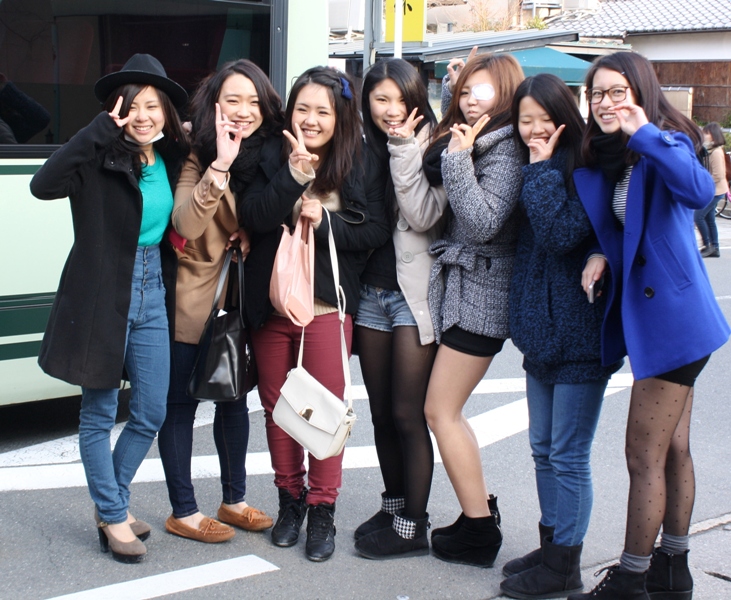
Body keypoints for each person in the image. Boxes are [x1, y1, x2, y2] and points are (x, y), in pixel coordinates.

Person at [568, 51, 730, 600]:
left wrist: (645, 133)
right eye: (597, 94)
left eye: (617, 91)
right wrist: (601, 254)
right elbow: (629, 229)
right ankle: (673, 568)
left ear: (640, 91)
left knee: (642, 454)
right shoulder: (617, 155)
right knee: (673, 449)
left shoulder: (665, 142)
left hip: (675, 327)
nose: (606, 103)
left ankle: (632, 578)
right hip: (664, 320)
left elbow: (699, 192)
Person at [29, 54, 189, 563]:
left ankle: (109, 503)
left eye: (152, 106)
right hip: (102, 293)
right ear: (115, 110)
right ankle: (115, 514)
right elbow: (43, 184)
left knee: (151, 410)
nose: (143, 116)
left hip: (152, 290)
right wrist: (99, 130)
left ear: (165, 111)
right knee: (98, 412)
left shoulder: (170, 159)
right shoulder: (98, 156)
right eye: (131, 106)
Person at [240, 66, 389, 562]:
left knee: (324, 413)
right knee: (278, 409)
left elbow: (371, 231)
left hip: (326, 307)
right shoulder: (270, 156)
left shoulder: (358, 159)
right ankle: (290, 502)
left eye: (322, 111)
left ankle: (322, 509)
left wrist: (323, 220)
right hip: (272, 302)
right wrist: (295, 175)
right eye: (302, 108)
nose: (311, 119)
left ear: (339, 116)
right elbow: (255, 216)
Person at [499, 73, 623, 599]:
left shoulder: (585, 166)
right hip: (540, 333)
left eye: (543, 121)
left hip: (579, 335)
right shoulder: (535, 165)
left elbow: (558, 234)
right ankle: (553, 546)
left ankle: (565, 565)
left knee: (568, 454)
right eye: (524, 121)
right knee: (542, 448)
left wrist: (541, 170)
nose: (533, 131)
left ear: (564, 119)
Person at [157, 59, 282, 543]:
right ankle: (183, 510)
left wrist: (251, 230)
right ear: (215, 105)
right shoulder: (198, 153)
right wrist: (220, 165)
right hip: (193, 298)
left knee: (233, 402)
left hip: (238, 299)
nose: (244, 111)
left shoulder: (270, 154)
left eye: (253, 101)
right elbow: (185, 223)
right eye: (233, 99)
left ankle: (234, 501)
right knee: (181, 405)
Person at [421, 52, 524, 568]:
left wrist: (458, 160)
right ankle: (476, 511)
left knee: (440, 411)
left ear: (504, 93)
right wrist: (449, 89)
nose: (468, 99)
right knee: (449, 412)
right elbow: (458, 125)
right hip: (465, 290)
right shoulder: (482, 136)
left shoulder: (507, 152)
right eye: (465, 91)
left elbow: (484, 223)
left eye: (480, 90)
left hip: (483, 295)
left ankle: (479, 532)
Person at [352, 58, 442, 560]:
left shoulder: (435, 145)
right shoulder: (363, 148)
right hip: (371, 294)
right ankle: (393, 506)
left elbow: (424, 215)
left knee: (410, 414)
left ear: (416, 98)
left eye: (399, 99)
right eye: (380, 99)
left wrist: (405, 149)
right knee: (382, 415)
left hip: (414, 296)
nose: (391, 110)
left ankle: (415, 523)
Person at [695, 122, 727, 258]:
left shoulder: (716, 152)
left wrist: (704, 183)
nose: (704, 135)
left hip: (716, 190)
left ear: (713, 136)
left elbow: (718, 175)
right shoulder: (711, 150)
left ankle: (708, 245)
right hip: (716, 190)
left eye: (706, 133)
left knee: (698, 216)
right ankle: (714, 247)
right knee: (709, 219)